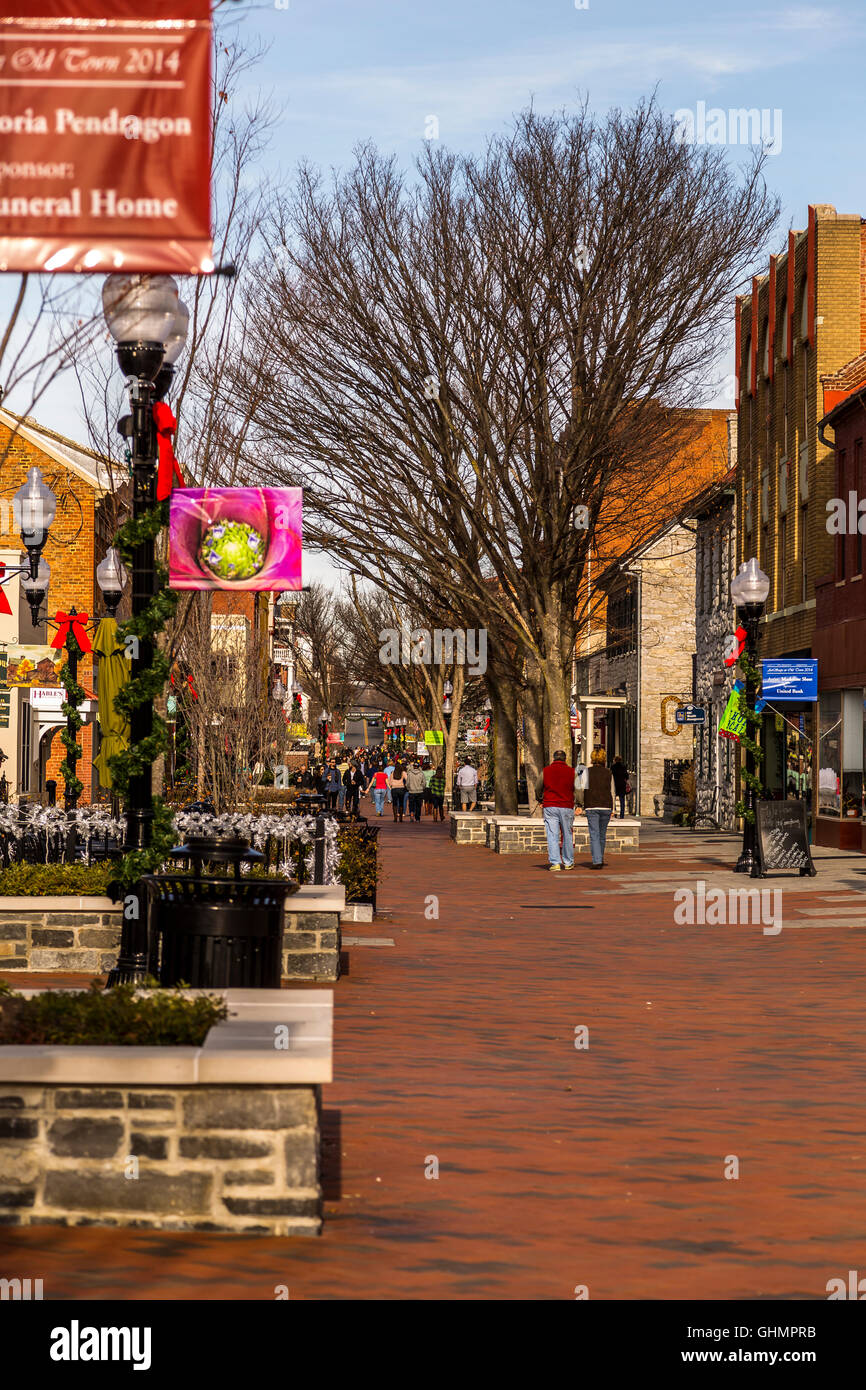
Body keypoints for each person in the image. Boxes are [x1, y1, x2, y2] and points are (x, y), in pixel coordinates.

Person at [536, 750, 577, 871]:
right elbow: (578, 789)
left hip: (550, 805)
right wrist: (579, 803)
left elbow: (538, 787)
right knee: (567, 834)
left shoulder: (546, 771)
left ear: (553, 758)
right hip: (566, 805)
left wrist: (540, 799)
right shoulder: (572, 772)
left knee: (552, 834)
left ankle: (555, 863)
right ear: (565, 759)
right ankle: (568, 862)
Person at [577, 747, 616, 869]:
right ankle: (600, 857)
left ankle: (597, 860)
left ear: (592, 758)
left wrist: (579, 805)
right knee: (602, 834)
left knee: (594, 834)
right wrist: (613, 808)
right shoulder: (609, 772)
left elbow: (579, 790)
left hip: (591, 805)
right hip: (606, 805)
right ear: (604, 758)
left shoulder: (584, 772)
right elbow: (612, 791)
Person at [611, 755, 629, 819]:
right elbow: (627, 776)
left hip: (615, 784)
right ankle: (622, 815)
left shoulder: (613, 767)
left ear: (615, 760)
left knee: (613, 799)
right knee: (622, 801)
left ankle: (614, 813)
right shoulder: (623, 767)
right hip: (622, 785)